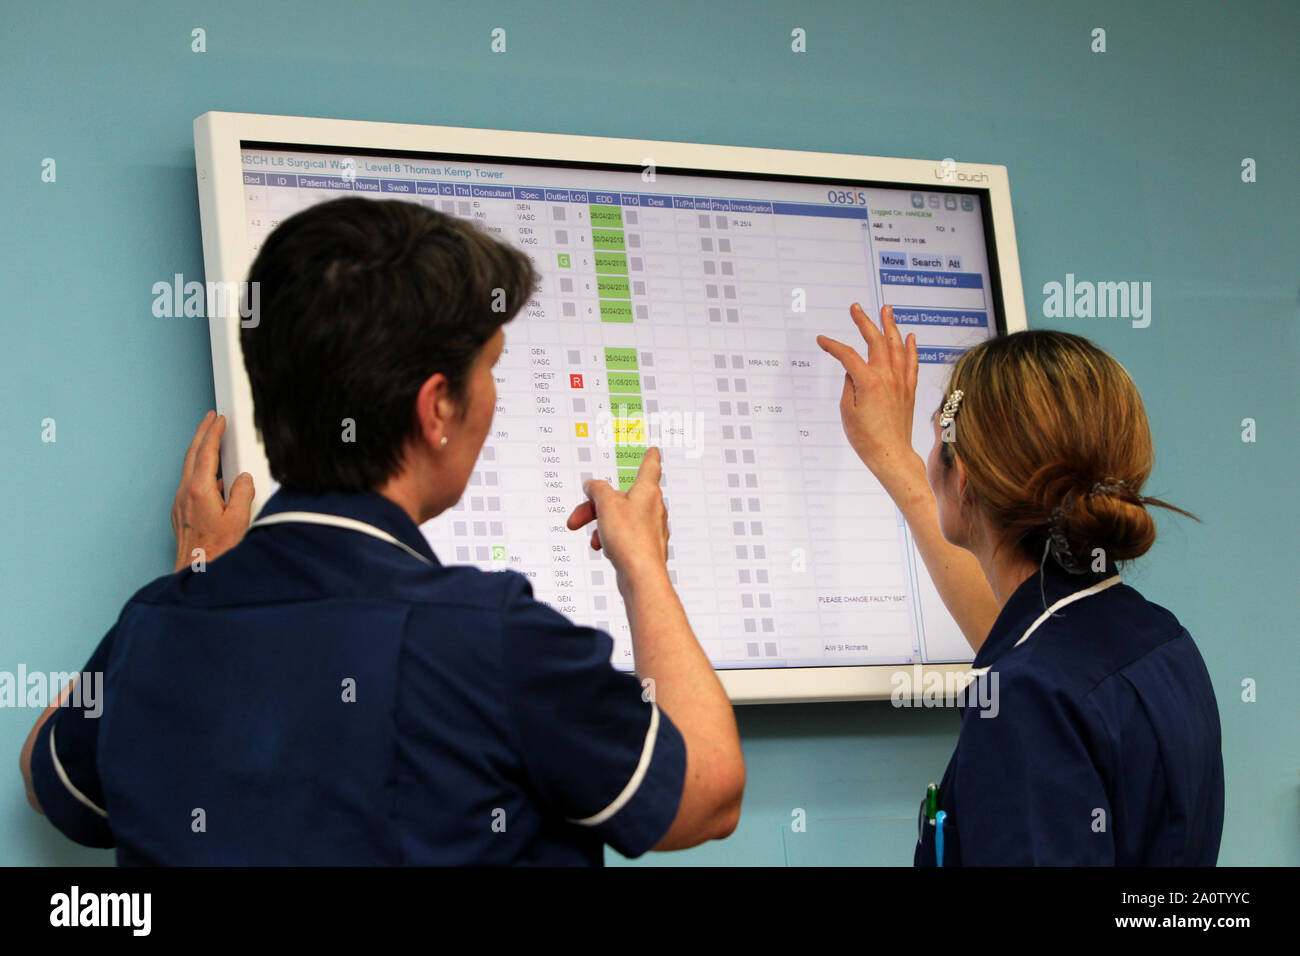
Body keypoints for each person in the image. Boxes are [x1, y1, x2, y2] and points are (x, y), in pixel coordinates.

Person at [19, 196, 744, 865]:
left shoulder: (152, 628)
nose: (493, 394)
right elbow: (707, 797)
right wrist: (643, 565)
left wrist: (197, 578)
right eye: (491, 368)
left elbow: (45, 776)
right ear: (436, 409)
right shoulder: (492, 638)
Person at [818, 304, 1224, 865]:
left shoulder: (1024, 700)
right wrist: (893, 457)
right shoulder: (1156, 639)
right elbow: (1029, 648)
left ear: (962, 480)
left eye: (937, 438)